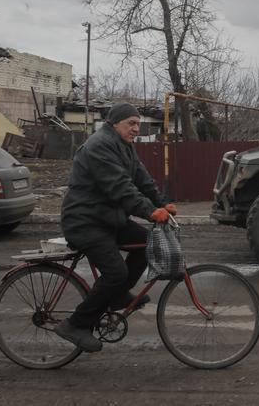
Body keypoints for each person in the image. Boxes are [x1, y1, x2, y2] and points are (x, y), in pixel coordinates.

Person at [54, 102, 177, 353]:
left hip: (108, 218)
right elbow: (119, 187)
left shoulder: (124, 146)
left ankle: (118, 296)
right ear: (115, 123)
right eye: (131, 123)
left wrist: (163, 203)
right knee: (116, 273)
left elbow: (142, 179)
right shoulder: (100, 146)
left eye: (138, 124)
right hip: (85, 221)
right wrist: (150, 211)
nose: (136, 129)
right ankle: (75, 325)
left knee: (147, 244)